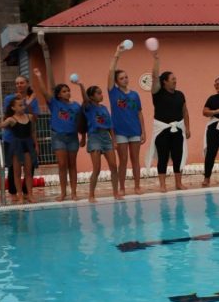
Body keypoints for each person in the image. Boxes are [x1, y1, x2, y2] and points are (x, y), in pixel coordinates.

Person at [32, 67, 82, 201]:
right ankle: (63, 193)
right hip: (58, 137)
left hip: (72, 137)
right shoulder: (54, 103)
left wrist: (83, 136)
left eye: (68, 90)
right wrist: (39, 76)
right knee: (62, 164)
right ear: (59, 94)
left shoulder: (76, 106)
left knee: (72, 165)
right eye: (64, 91)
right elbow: (44, 92)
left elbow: (80, 122)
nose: (68, 93)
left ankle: (74, 193)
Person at [149, 49, 190, 192]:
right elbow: (154, 77)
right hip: (162, 130)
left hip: (178, 129)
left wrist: (187, 127)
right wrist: (156, 60)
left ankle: (178, 183)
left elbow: (185, 111)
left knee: (178, 156)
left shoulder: (180, 94)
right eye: (172, 79)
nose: (175, 81)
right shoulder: (157, 93)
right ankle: (162, 185)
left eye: (175, 79)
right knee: (163, 157)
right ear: (165, 82)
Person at [108, 42, 145, 196]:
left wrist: (143, 131)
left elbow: (139, 113)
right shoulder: (113, 92)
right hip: (120, 132)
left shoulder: (135, 94)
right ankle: (122, 187)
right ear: (116, 82)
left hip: (135, 130)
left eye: (126, 77)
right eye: (121, 78)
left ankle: (137, 186)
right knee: (123, 160)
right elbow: (110, 71)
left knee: (135, 159)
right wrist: (117, 54)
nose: (125, 79)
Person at [78, 79, 120, 201]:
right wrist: (81, 85)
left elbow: (110, 126)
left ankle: (115, 193)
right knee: (97, 168)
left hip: (106, 138)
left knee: (113, 166)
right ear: (91, 96)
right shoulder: (89, 107)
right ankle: (91, 195)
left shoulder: (104, 108)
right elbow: (85, 99)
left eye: (101, 93)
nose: (101, 95)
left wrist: (114, 140)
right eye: (98, 93)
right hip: (94, 137)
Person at [1, 75, 40, 198]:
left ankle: (28, 193)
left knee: (29, 168)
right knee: (13, 168)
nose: (19, 85)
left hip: (27, 139)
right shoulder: (9, 99)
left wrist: (29, 102)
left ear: (27, 83)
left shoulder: (33, 100)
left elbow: (35, 119)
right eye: (17, 83)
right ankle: (15, 193)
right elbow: (8, 115)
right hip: (11, 139)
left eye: (22, 83)